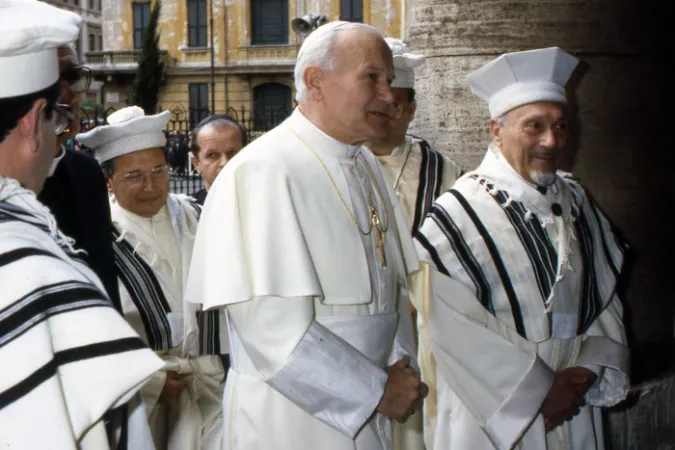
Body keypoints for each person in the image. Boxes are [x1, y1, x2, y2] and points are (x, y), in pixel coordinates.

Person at [186, 21, 427, 450]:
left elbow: (388, 299)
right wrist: (377, 390)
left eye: (388, 80)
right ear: (315, 81)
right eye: (372, 77)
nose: (389, 95)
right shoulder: (261, 172)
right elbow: (274, 337)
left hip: (370, 408)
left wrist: (398, 373)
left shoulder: (365, 164)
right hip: (292, 420)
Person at [414, 47, 629, 449]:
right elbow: (448, 326)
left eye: (561, 126)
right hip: (496, 412)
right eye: (535, 126)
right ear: (496, 130)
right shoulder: (457, 213)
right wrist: (541, 391)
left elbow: (604, 293)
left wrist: (586, 370)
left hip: (574, 401)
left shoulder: (576, 200)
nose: (553, 140)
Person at [0, 1, 162, 448]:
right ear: (35, 121)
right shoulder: (31, 265)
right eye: (63, 83)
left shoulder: (83, 175)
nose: (73, 94)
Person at [77, 106, 226, 449]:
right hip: (148, 403)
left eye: (159, 171)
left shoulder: (196, 216)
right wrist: (152, 380)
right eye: (134, 176)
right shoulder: (97, 240)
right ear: (108, 179)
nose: (150, 186)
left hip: (212, 388)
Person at [364, 37, 463, 450]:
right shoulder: (343, 165)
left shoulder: (443, 171)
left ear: (412, 108)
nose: (386, 113)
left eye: (396, 105)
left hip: (428, 324)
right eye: (379, 105)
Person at [38, 43, 121, 310]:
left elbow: (104, 275)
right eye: (52, 79)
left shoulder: (86, 171)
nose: (70, 94)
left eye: (74, 78)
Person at [189, 114, 246, 205]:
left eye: (233, 153)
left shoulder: (266, 206)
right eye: (212, 155)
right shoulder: (190, 215)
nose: (225, 163)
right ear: (196, 164)